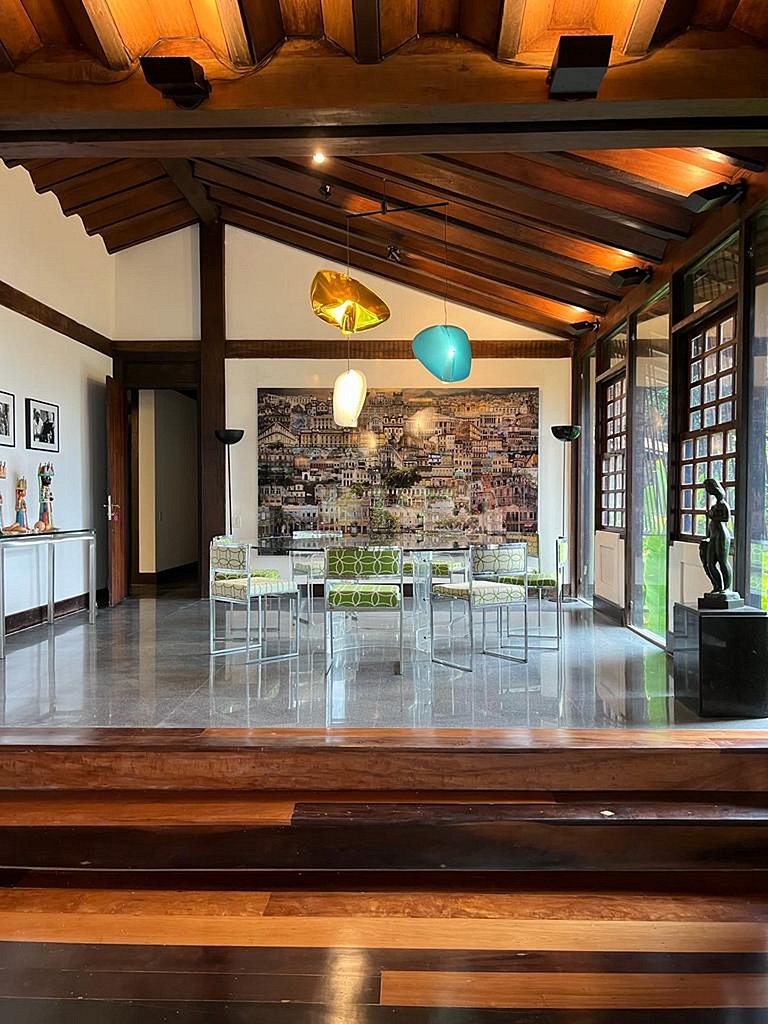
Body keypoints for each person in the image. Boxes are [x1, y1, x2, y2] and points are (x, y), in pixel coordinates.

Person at [699, 478, 733, 594]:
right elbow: (711, 524)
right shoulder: (714, 506)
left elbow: (726, 518)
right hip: (713, 536)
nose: (707, 491)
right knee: (710, 563)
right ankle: (718, 586)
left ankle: (726, 588)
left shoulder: (723, 505)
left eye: (708, 488)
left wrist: (712, 516)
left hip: (721, 535)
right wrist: (707, 536)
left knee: (723, 562)